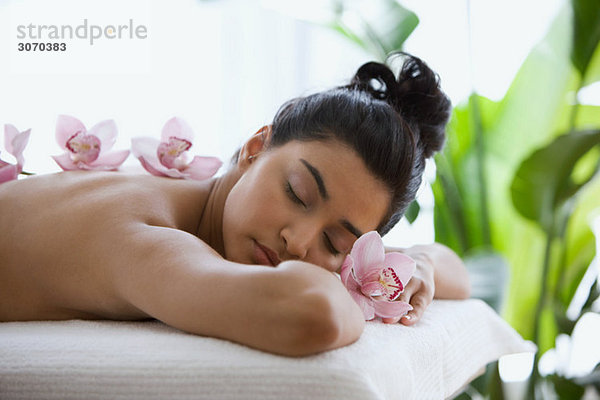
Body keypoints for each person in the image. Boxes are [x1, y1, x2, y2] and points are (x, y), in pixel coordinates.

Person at [0, 53, 470, 356]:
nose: (298, 242)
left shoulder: (183, 199)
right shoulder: (147, 239)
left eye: (335, 240)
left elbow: (459, 274)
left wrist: (416, 262)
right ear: (255, 146)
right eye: (297, 194)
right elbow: (314, 315)